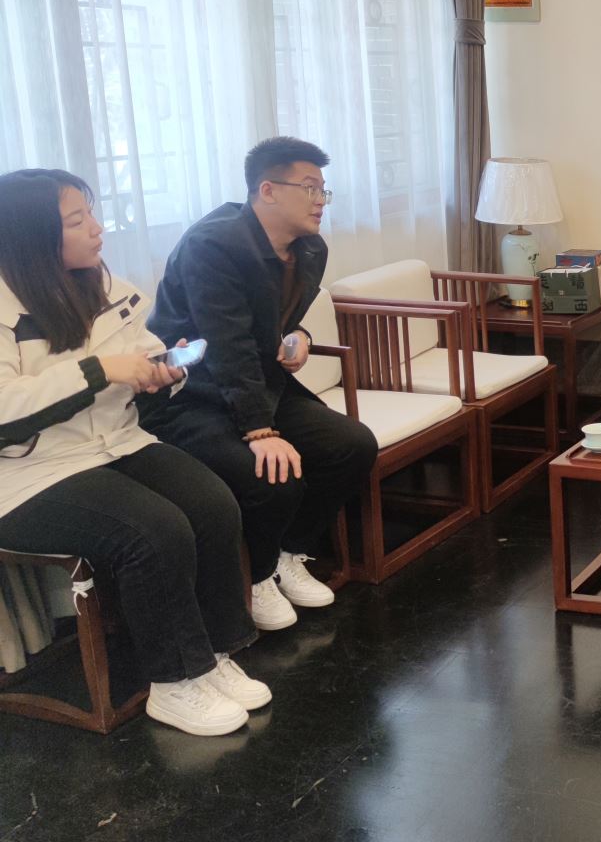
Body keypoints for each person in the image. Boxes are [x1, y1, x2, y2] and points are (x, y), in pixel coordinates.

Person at [0, 169, 269, 737]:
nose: (97, 229)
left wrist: (162, 368)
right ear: (31, 236)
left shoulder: (98, 282)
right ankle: (174, 684)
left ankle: (214, 655)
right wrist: (101, 369)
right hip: (28, 474)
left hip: (113, 443)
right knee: (152, 529)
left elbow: (139, 351)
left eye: (92, 214)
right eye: (77, 221)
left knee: (213, 503)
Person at [138, 138, 377, 632]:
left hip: (256, 385)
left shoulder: (309, 248)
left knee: (352, 445)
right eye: (309, 188)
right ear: (267, 190)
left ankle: (290, 552)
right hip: (191, 396)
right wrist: (260, 431)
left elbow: (277, 320)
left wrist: (299, 336)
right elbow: (226, 344)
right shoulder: (213, 246)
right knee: (273, 474)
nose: (320, 201)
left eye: (324, 190)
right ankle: (259, 574)